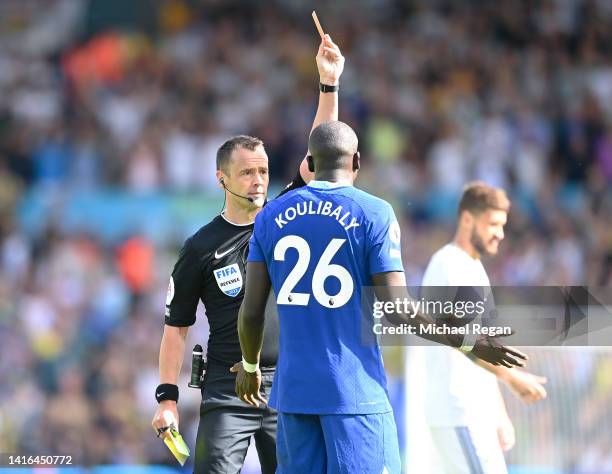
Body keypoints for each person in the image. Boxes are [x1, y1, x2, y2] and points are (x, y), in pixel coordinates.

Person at [234, 121, 527, 473]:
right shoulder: (374, 213)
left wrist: (250, 367)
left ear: (309, 165)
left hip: (294, 394)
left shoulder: (270, 216)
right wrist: (467, 341)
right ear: (356, 162)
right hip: (354, 393)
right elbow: (398, 308)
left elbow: (251, 312)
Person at [150, 34, 345, 474]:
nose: (258, 180)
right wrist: (167, 400)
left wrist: (328, 85)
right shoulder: (199, 247)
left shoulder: (282, 217)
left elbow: (321, 155)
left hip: (289, 388)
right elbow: (175, 329)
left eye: (263, 171)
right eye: (247, 172)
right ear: (222, 179)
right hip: (226, 388)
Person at [415, 181, 548, 474]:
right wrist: (512, 378)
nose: (500, 233)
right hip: (457, 411)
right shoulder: (448, 265)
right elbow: (463, 341)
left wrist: (498, 412)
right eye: (493, 224)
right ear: (467, 219)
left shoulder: (473, 268)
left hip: (473, 414)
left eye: (503, 225)